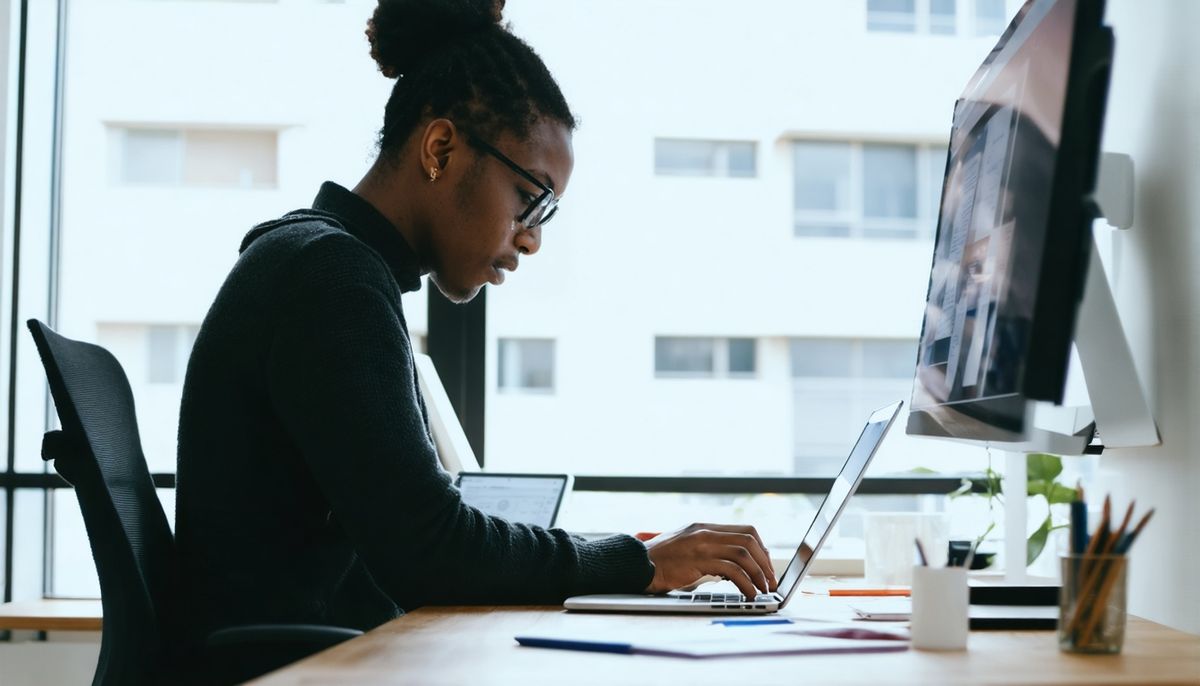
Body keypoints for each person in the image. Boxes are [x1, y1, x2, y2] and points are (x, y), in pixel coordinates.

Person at [174, 0, 776, 664]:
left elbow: (418, 536)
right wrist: (639, 563)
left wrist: (627, 560)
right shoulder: (331, 278)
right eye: (530, 199)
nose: (532, 239)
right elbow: (431, 548)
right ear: (441, 149)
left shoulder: (326, 265)